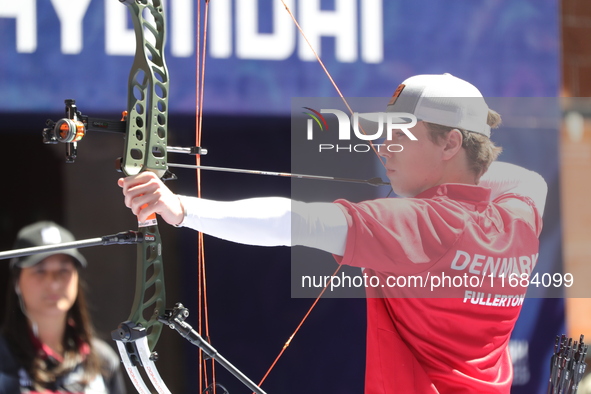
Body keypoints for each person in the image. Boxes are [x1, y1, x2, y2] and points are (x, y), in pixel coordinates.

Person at [118, 74, 547, 393]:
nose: (383, 146)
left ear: (451, 143)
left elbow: (295, 221)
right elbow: (526, 179)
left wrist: (180, 209)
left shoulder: (423, 224)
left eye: (401, 132)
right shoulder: (519, 214)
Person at [0, 221, 127, 394]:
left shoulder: (103, 359)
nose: (53, 283)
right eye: (40, 270)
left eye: (64, 270)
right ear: (16, 281)